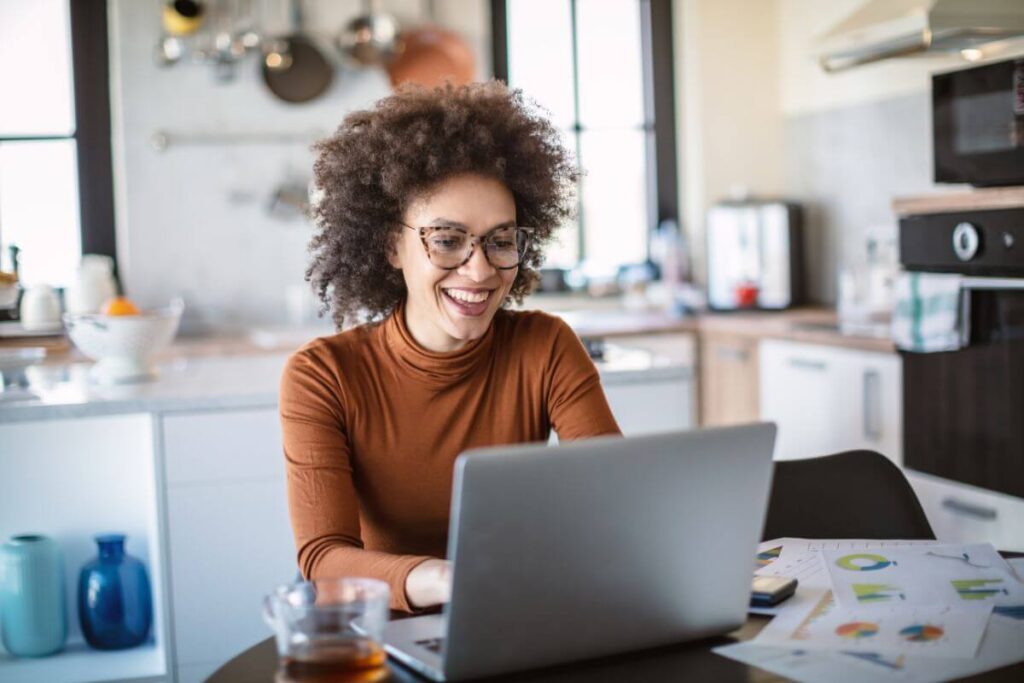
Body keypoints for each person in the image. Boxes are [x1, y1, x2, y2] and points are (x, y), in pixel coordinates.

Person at [279, 81, 621, 613]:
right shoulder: (324, 375)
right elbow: (325, 560)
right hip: (387, 633)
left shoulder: (546, 346)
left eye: (500, 241)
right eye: (446, 240)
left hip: (521, 611)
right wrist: (449, 580)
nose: (480, 270)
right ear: (392, 245)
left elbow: (614, 499)